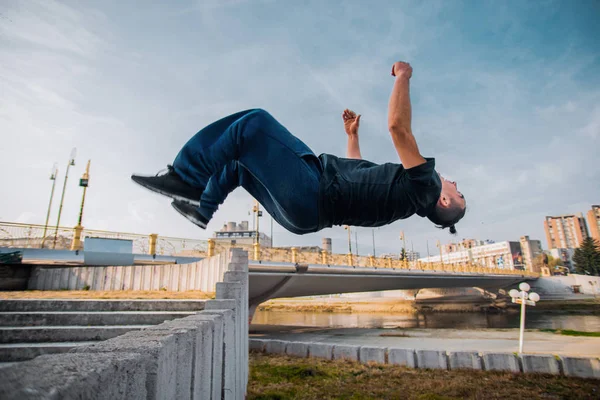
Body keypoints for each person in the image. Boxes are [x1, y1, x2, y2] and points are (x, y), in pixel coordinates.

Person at [131, 61, 466, 235]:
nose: (456, 184)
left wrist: (403, 76)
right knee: (238, 163)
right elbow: (356, 172)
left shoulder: (426, 184)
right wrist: (352, 135)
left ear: (444, 199)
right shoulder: (403, 199)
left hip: (311, 191)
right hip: (304, 216)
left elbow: (398, 129)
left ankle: (186, 179)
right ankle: (201, 209)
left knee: (254, 123)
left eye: (459, 193)